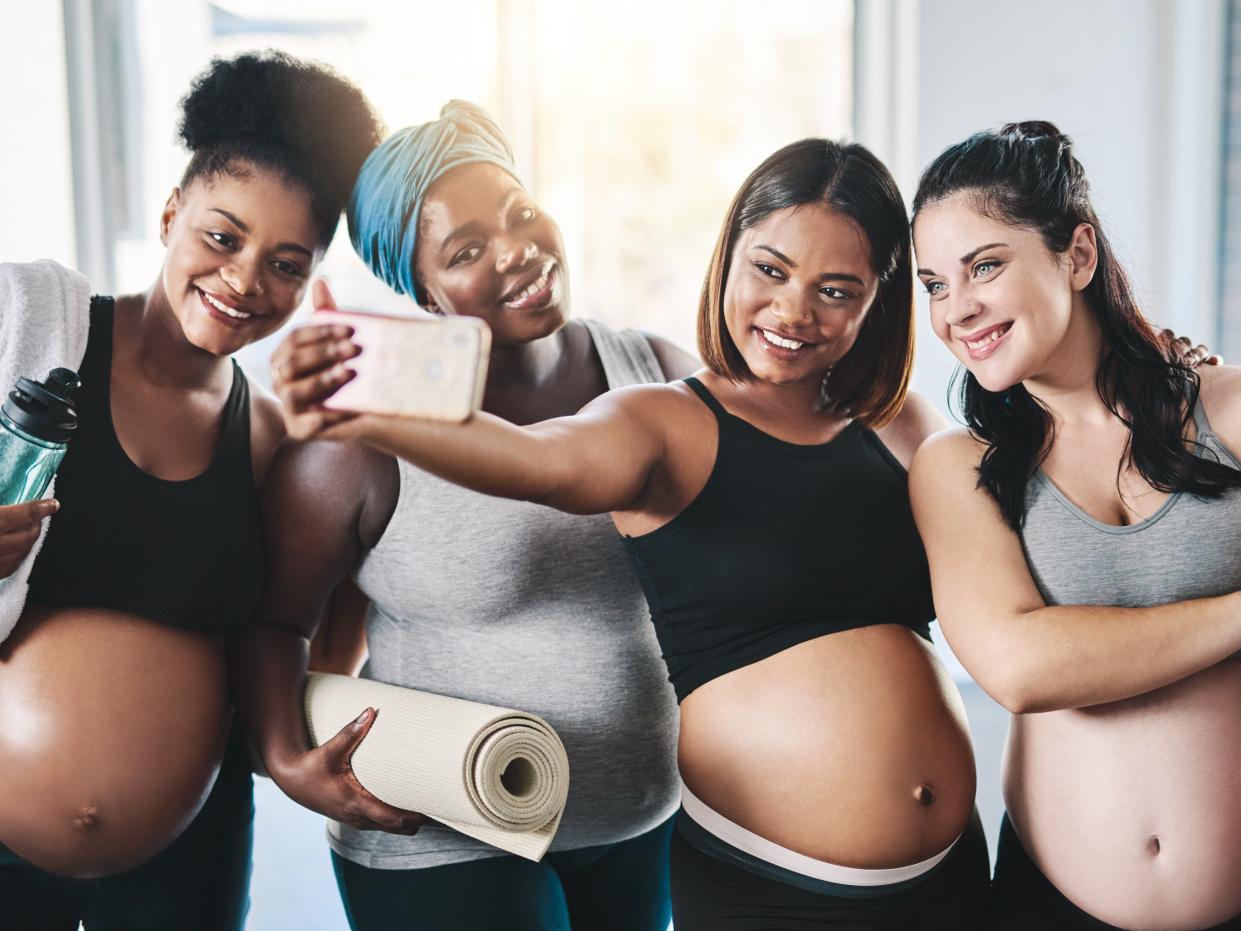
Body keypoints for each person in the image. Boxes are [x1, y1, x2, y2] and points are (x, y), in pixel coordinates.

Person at [267, 136, 991, 930]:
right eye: (771, 270)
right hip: (473, 829)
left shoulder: (879, 422)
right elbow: (535, 460)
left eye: (836, 288)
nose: (792, 310)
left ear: (879, 297)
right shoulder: (661, 416)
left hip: (668, 827)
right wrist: (367, 406)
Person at [233, 101, 696, 931]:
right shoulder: (362, 434)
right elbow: (275, 619)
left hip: (642, 820)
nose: (516, 249)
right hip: (445, 831)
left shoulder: (653, 370)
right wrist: (282, 757)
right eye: (467, 249)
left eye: (519, 212)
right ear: (424, 289)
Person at [0, 51, 382, 930]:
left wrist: (296, 750)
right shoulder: (34, 329)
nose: (247, 281)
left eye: (288, 264)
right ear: (172, 212)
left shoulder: (273, 438)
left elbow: (304, 628)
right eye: (222, 236)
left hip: (188, 859)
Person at [910, 121, 1241, 930]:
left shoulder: (1228, 410)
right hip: (1049, 906)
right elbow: (1020, 665)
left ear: (1077, 256)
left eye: (983, 266)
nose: (958, 310)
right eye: (933, 284)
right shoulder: (959, 467)